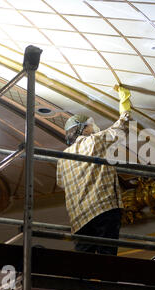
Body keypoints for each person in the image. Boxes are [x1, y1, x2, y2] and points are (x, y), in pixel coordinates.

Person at [56, 86, 132, 255]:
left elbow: (61, 183)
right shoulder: (94, 141)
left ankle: (85, 282)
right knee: (107, 257)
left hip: (79, 218)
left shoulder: (62, 158)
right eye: (90, 125)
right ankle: (107, 282)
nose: (94, 128)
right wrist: (125, 99)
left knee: (85, 264)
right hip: (103, 207)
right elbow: (122, 126)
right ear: (83, 129)